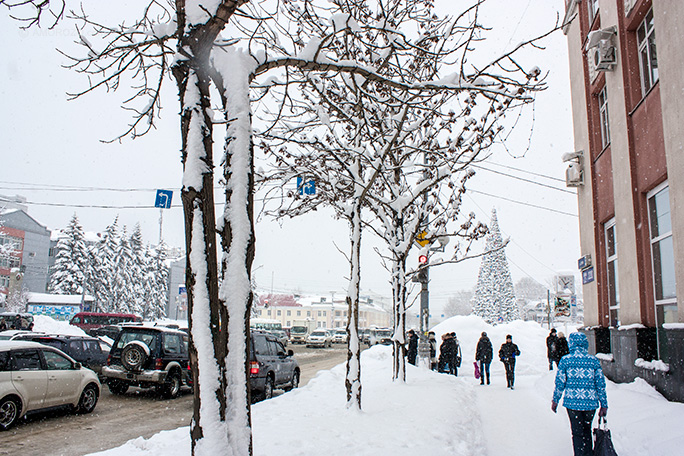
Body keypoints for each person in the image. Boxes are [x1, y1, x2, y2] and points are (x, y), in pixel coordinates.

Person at [551, 332, 608, 456]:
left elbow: (560, 383)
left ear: (571, 344)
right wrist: (604, 404)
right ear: (585, 344)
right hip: (590, 404)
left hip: (572, 404)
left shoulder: (565, 361)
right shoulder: (593, 361)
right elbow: (600, 384)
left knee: (577, 433)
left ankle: (579, 453)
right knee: (587, 430)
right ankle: (588, 453)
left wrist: (555, 400)